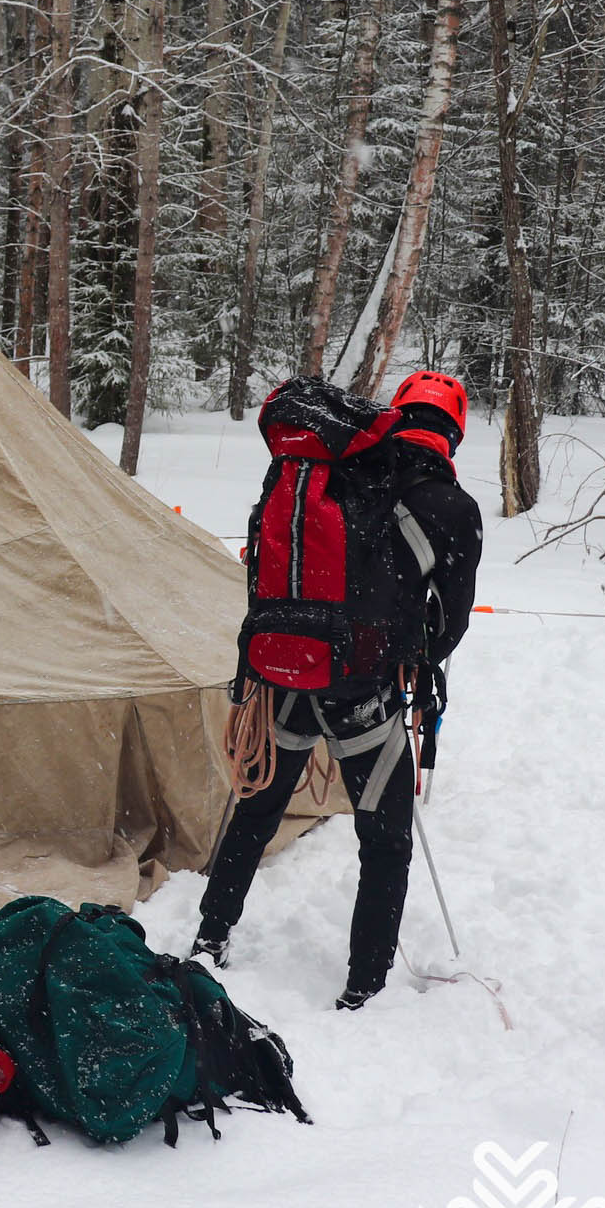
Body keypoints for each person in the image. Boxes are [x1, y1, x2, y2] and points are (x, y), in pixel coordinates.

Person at [190, 370, 481, 1010]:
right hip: (366, 691)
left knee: (257, 811)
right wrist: (410, 648)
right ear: (453, 433)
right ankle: (364, 983)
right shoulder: (451, 507)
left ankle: (210, 937)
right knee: (384, 839)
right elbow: (450, 623)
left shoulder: (333, 470)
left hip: (286, 671)